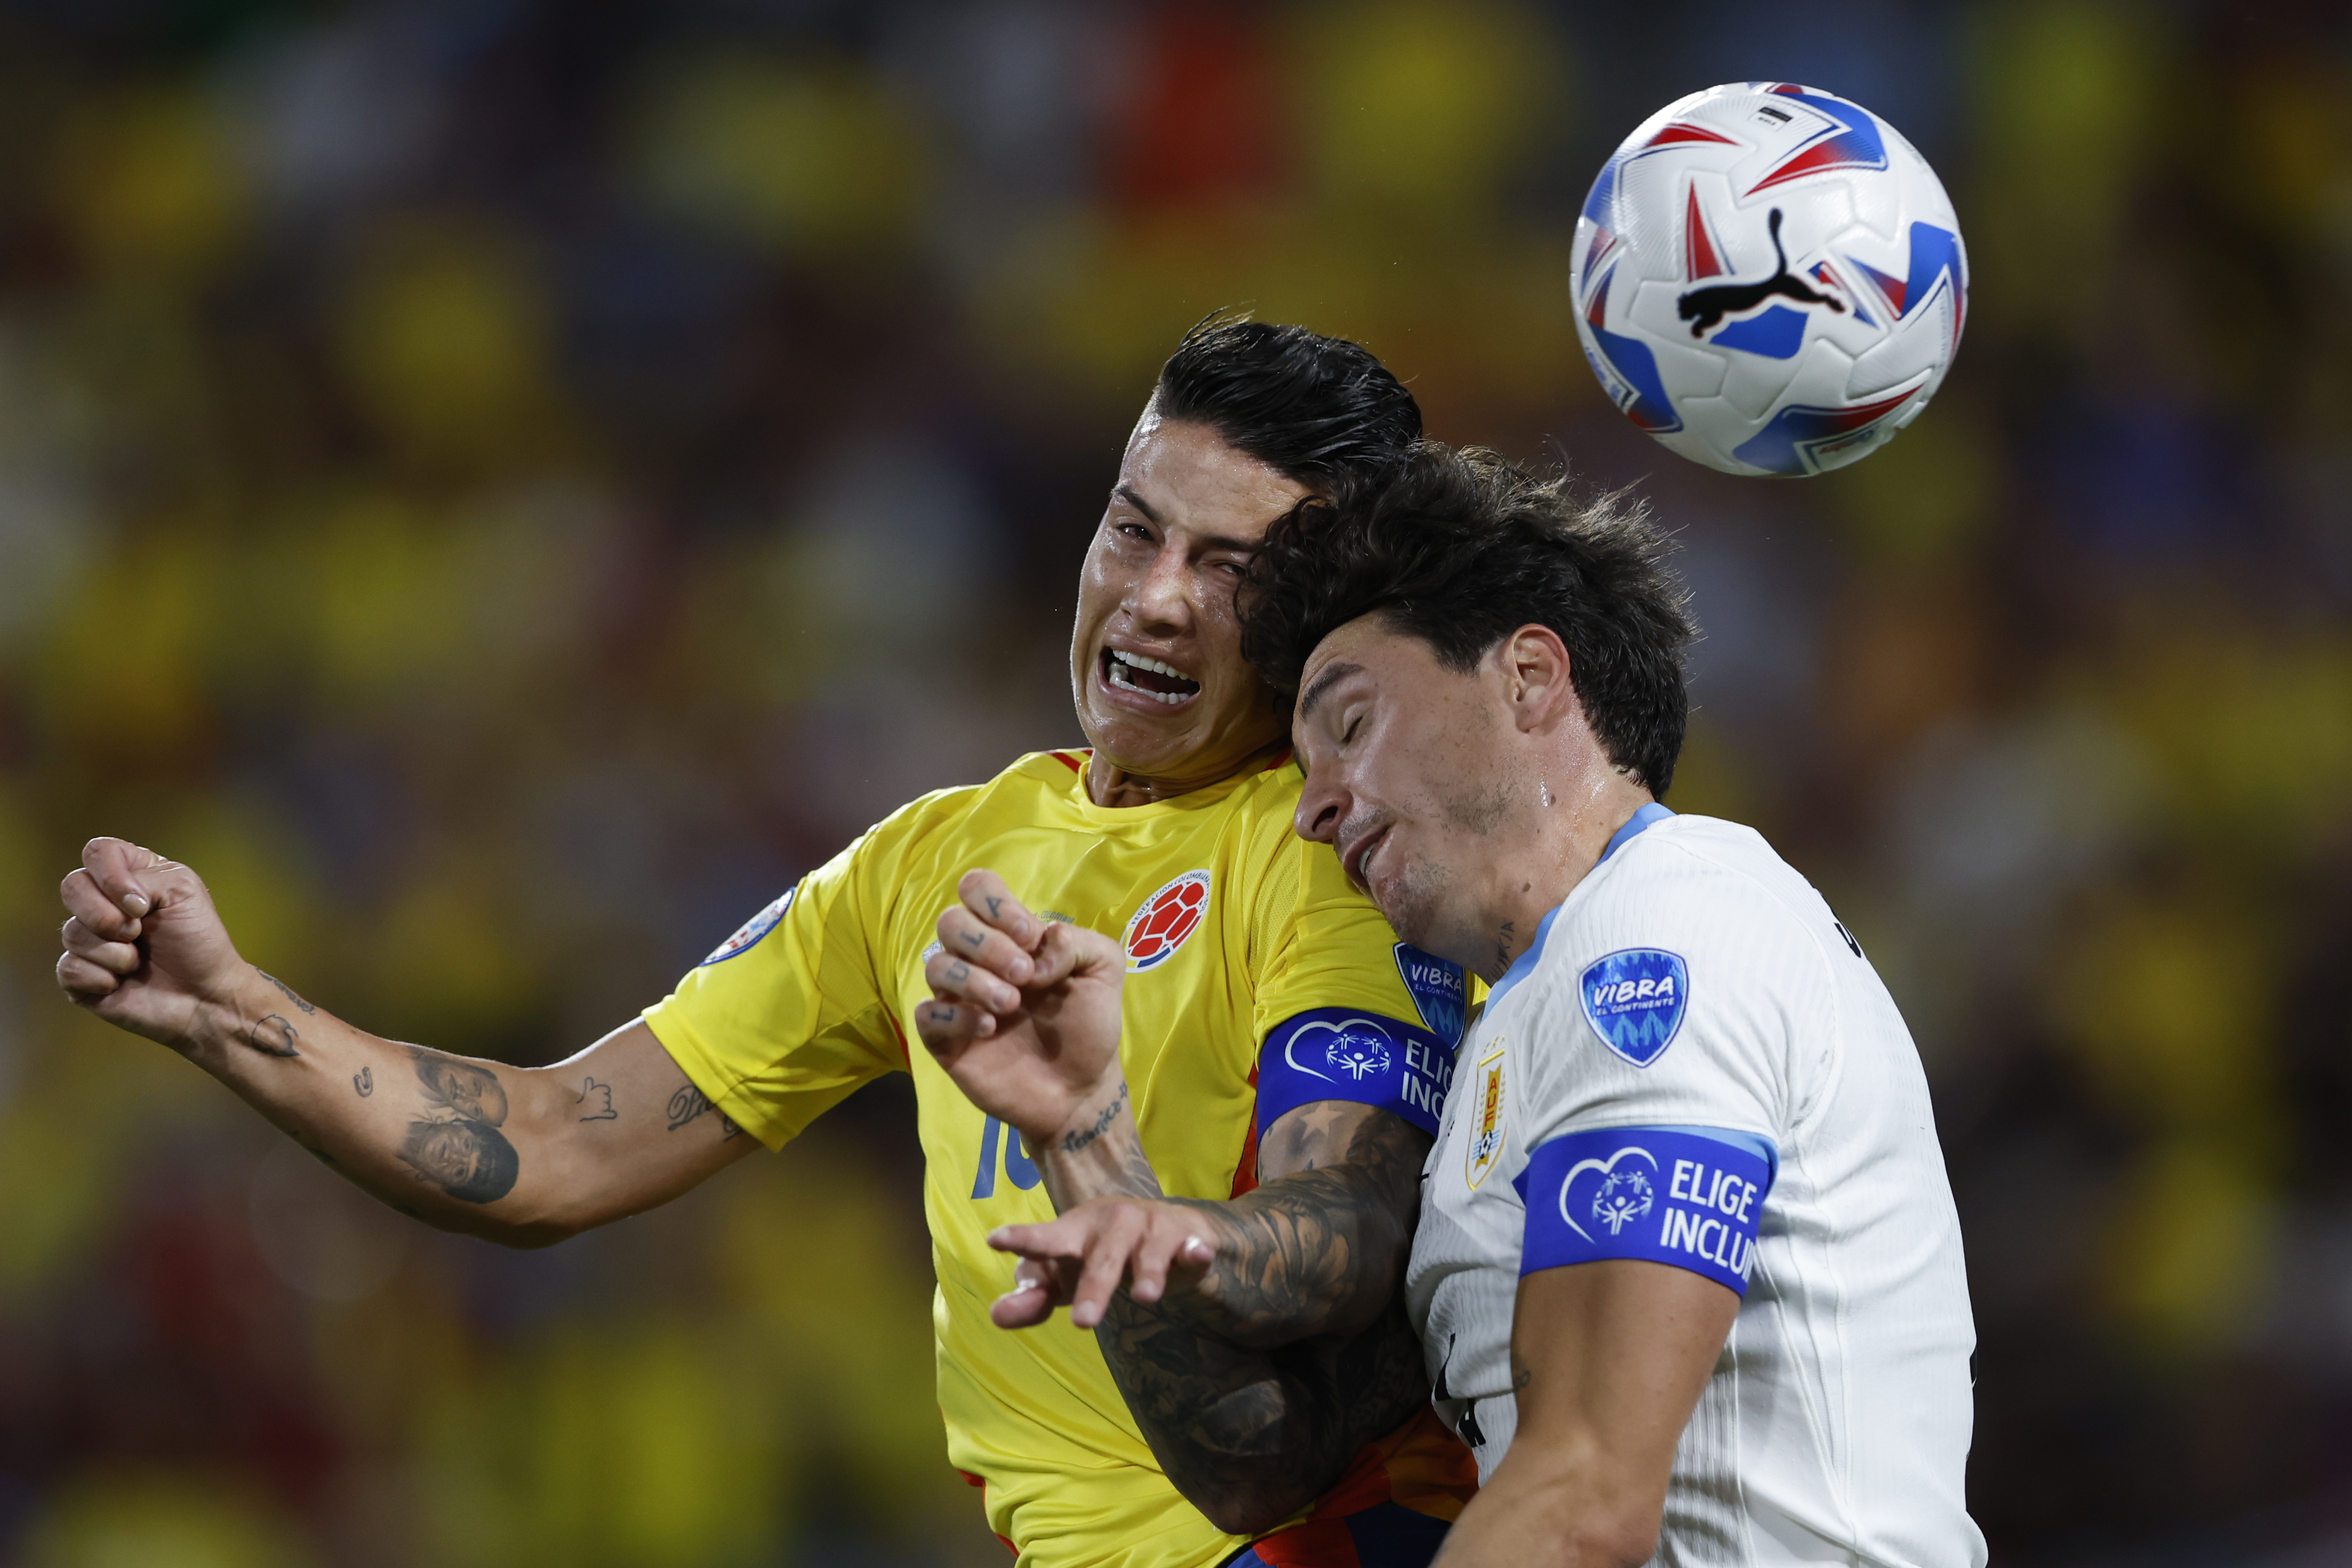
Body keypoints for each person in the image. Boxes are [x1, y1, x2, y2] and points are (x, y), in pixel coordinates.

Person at [52, 319, 1477, 1567]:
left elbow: (1350, 1231)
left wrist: (1111, 1176)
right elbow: (558, 1143)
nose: (1157, 595)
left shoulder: (1331, 851)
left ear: (1321, 613)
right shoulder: (933, 861)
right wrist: (229, 1008)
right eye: (1135, 527)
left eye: (1231, 567)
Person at [970, 441, 1984, 1567]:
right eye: (1304, 765)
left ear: (1530, 676)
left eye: (1348, 726)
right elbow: (1264, 1468)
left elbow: (1584, 1495)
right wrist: (1085, 1130)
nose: (1312, 810)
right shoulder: (1518, 1030)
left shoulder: (1664, 931)